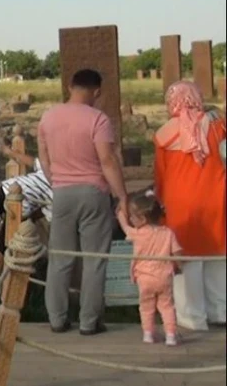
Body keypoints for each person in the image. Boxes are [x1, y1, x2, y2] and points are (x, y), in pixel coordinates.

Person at [38, 68, 128, 335]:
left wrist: (57, 180)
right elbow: (108, 161)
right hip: (93, 192)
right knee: (94, 259)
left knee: (61, 259)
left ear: (69, 86)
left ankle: (57, 318)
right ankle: (89, 322)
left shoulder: (48, 117)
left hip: (62, 192)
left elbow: (44, 159)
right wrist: (122, 196)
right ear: (97, 91)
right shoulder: (98, 119)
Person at [153, 81, 226, 331]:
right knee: (218, 256)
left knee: (187, 262)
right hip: (216, 199)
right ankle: (221, 311)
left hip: (180, 206)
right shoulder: (219, 126)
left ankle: (192, 317)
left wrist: (160, 205)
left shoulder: (163, 134)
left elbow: (160, 177)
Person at [0, 140, 53, 299]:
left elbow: (32, 162)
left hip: (9, 186)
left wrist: (9, 152)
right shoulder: (59, 185)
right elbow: (46, 214)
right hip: (19, 202)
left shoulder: (50, 167)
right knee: (3, 243)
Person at [115, 192, 182, 345]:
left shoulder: (137, 234)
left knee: (146, 307)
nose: (131, 219)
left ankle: (148, 334)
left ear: (143, 219)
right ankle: (171, 335)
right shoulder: (168, 232)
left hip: (144, 278)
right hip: (164, 276)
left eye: (133, 216)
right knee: (167, 306)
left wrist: (120, 213)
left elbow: (125, 227)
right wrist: (179, 267)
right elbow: (177, 253)